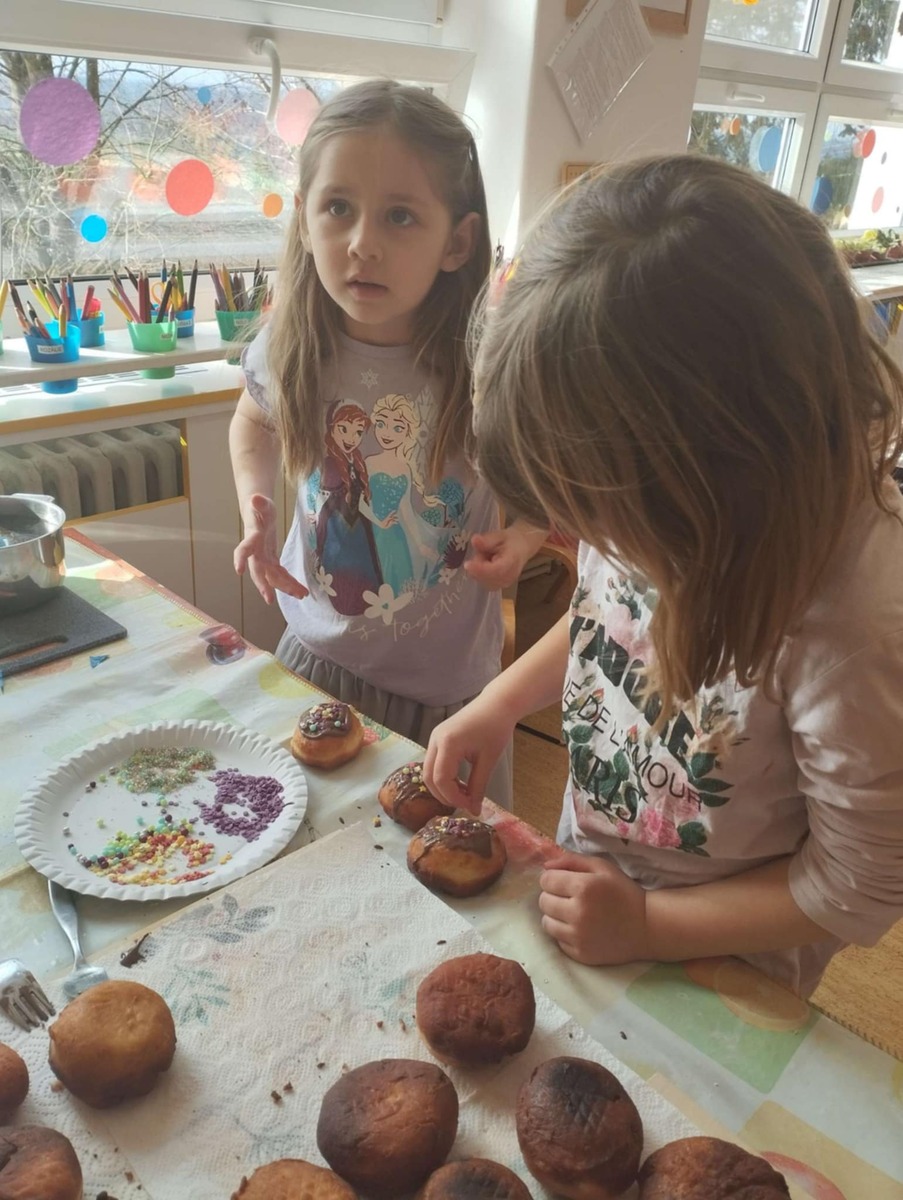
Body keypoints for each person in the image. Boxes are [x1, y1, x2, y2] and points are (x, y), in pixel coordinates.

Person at [424, 153, 903, 996]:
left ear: (724, 471)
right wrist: (499, 702)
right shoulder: (661, 499)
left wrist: (648, 926)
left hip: (723, 963)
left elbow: (857, 884)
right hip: (596, 885)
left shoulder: (853, 627)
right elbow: (605, 620)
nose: (584, 539)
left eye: (598, 516)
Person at [229, 79, 545, 805]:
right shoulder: (291, 343)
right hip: (311, 663)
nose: (362, 245)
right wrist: (255, 505)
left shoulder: (489, 363)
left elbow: (547, 489)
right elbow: (253, 421)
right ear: (304, 218)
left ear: (456, 242)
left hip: (444, 702)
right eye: (338, 207)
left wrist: (525, 538)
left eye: (400, 216)